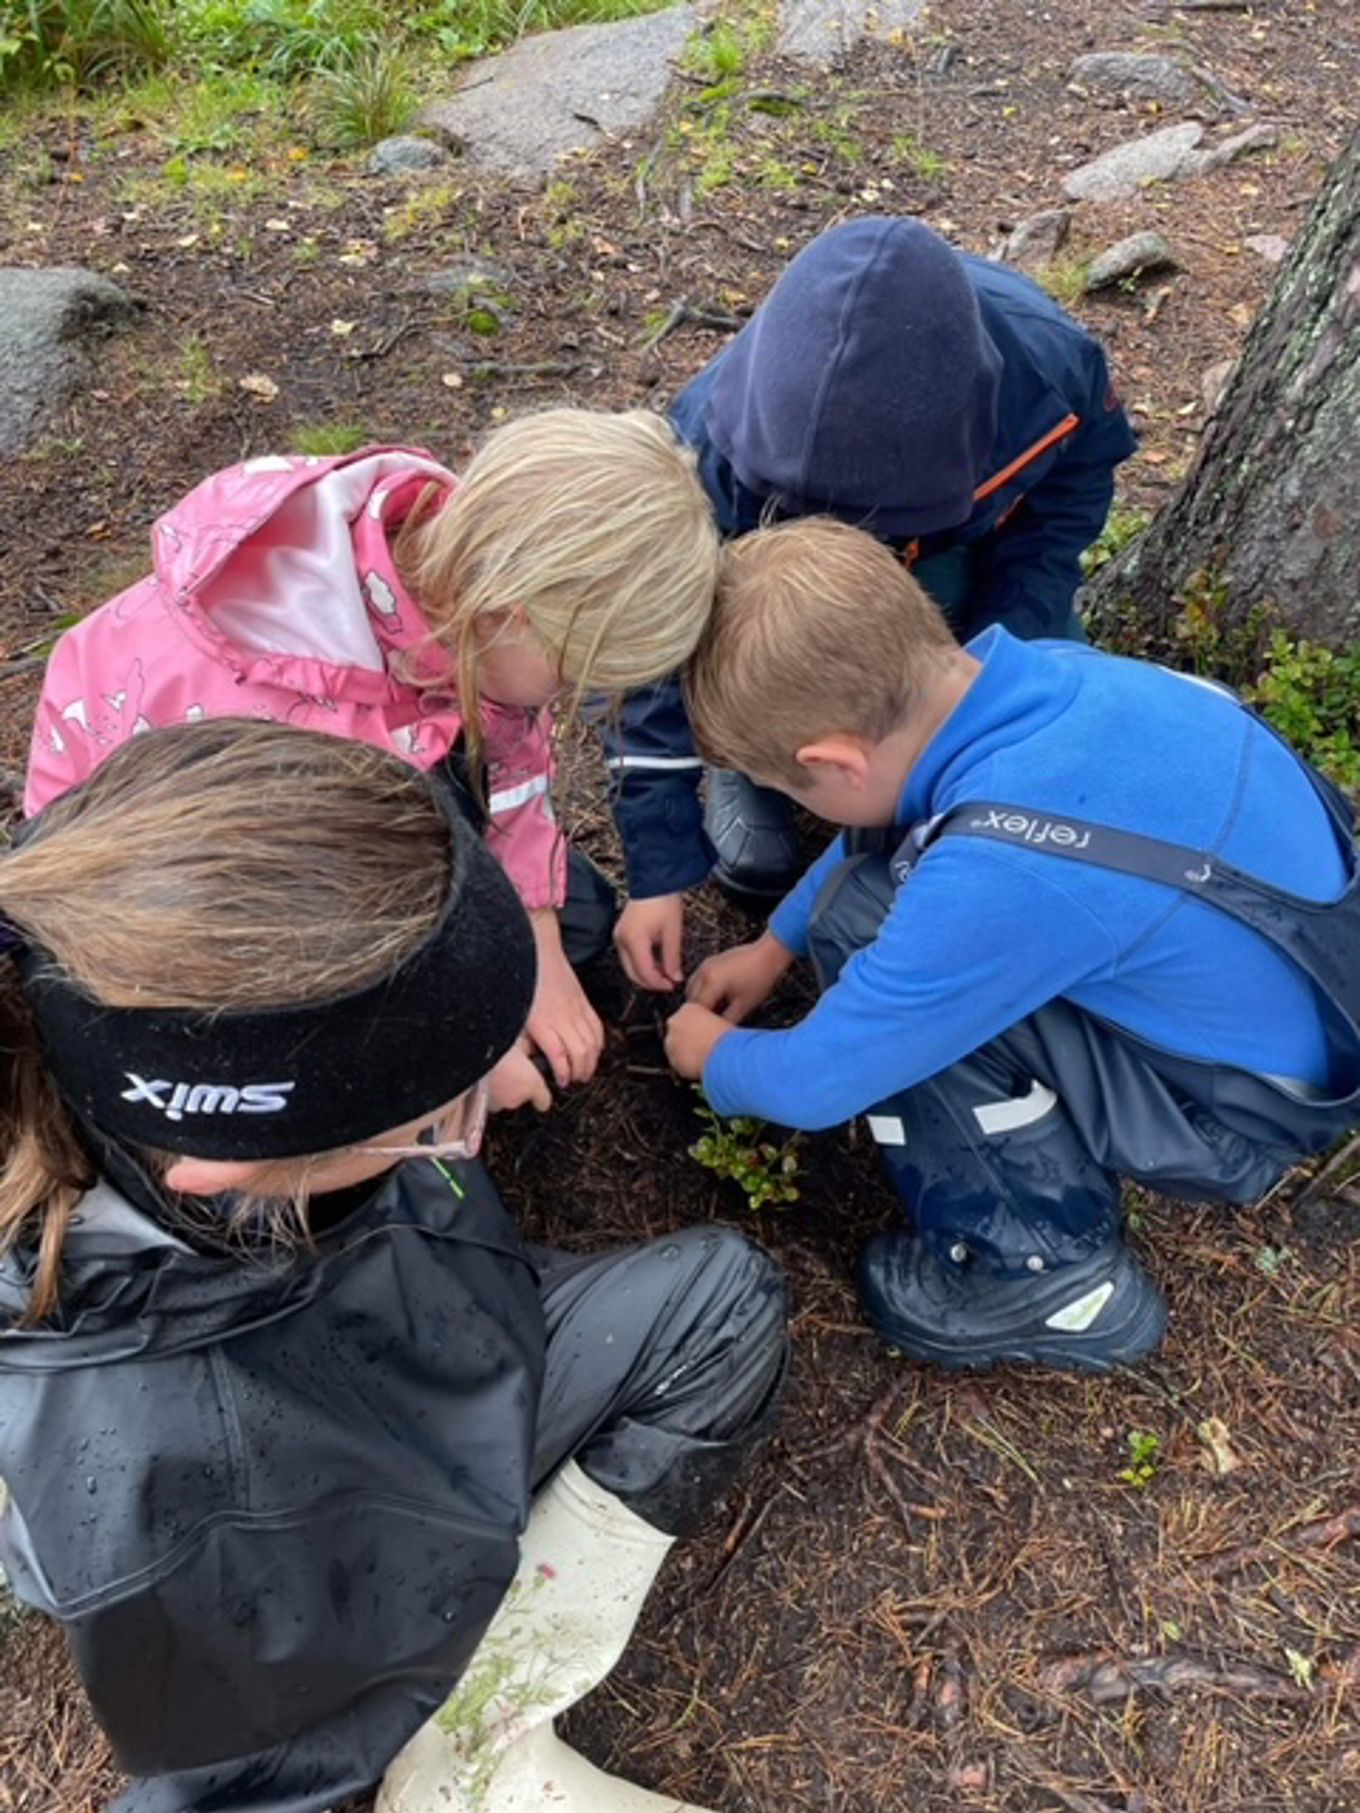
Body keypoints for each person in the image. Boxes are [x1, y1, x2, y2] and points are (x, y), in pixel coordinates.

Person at [0, 720, 787, 1813]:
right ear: (229, 1165)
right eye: (443, 1116)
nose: (488, 1111)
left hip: (403, 1348)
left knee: (723, 1304)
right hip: (278, 1504)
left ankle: (485, 1700)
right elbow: (230, 1780)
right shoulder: (174, 1495)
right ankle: (449, 1753)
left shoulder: (100, 989)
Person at [664, 519, 1359, 1373]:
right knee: (866, 902)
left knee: (868, 927)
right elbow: (909, 817)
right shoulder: (1038, 677)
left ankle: (1050, 1276)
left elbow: (819, 1083)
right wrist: (774, 945)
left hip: (1243, 1119)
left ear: (835, 762)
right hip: (1314, 1004)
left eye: (781, 783)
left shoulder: (1007, 869)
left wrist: (716, 1057)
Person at [25, 409, 720, 1091]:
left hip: (336, 819)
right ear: (510, 612)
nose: (565, 700)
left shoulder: (459, 571)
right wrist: (464, 1055)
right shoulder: (283, 727)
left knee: (573, 923)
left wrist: (535, 937)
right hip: (186, 911)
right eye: (571, 676)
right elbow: (298, 942)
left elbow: (514, 755)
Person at [608, 216, 1138, 991]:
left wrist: (994, 645)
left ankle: (963, 831)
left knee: (1034, 693)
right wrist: (659, 864)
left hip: (950, 558)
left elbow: (1069, 498)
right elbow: (650, 641)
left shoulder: (1049, 372)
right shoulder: (708, 444)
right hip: (770, 577)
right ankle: (761, 760)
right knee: (726, 621)